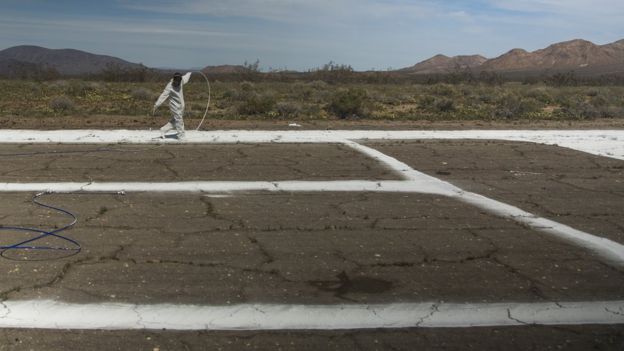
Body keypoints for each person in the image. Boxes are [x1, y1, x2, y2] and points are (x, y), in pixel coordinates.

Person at [153, 72, 192, 139]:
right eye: (176, 80)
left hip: (181, 105)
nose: (177, 82)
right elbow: (163, 96)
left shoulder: (181, 82)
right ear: (174, 79)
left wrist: (190, 73)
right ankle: (181, 136)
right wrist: (156, 104)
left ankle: (164, 129)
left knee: (176, 120)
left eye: (178, 80)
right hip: (174, 106)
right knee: (179, 120)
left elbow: (186, 77)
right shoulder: (169, 86)